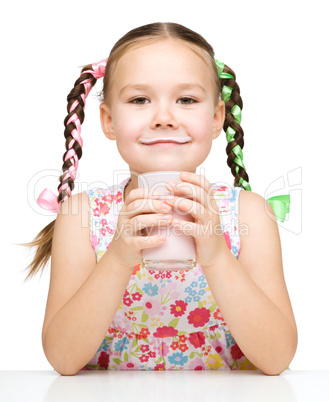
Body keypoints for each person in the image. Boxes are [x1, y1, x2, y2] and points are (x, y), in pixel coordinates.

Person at [22, 22, 297, 375]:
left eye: (186, 100)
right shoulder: (81, 216)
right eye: (139, 99)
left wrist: (215, 254)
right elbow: (62, 358)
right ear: (108, 121)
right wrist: (119, 257)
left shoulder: (249, 213)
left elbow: (277, 359)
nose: (164, 118)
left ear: (216, 119)